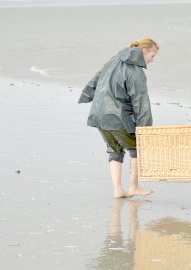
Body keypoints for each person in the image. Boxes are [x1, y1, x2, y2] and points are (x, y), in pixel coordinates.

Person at [78, 37, 159, 198]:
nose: (152, 60)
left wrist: (86, 96)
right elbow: (141, 102)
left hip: (99, 114)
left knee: (114, 151)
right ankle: (134, 187)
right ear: (144, 51)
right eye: (152, 55)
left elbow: (96, 79)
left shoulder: (113, 59)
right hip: (118, 117)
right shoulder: (135, 71)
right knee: (138, 148)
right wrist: (145, 130)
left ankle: (118, 190)